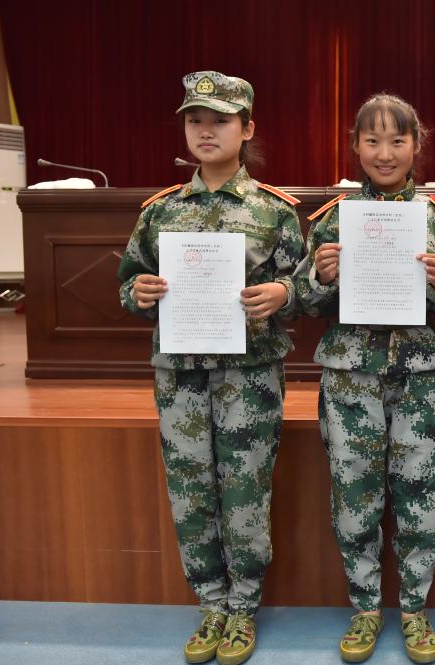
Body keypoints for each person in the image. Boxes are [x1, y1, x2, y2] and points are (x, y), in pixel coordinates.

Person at [117, 70, 304, 665]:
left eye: (220, 120)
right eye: (195, 120)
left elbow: (307, 285)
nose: (205, 130)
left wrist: (283, 293)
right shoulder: (160, 211)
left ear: (246, 129)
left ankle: (243, 607)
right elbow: (128, 282)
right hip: (181, 375)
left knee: (245, 491)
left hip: (249, 376)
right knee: (191, 492)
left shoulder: (275, 211)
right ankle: (211, 604)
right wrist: (139, 293)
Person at [295, 93, 435, 664]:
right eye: (372, 140)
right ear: (355, 146)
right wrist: (322, 277)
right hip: (351, 376)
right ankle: (366, 607)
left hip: (420, 376)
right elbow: (304, 301)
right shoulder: (332, 219)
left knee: (421, 496)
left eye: (398, 140)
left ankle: (414, 609)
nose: (385, 152)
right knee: (354, 496)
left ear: (417, 146)